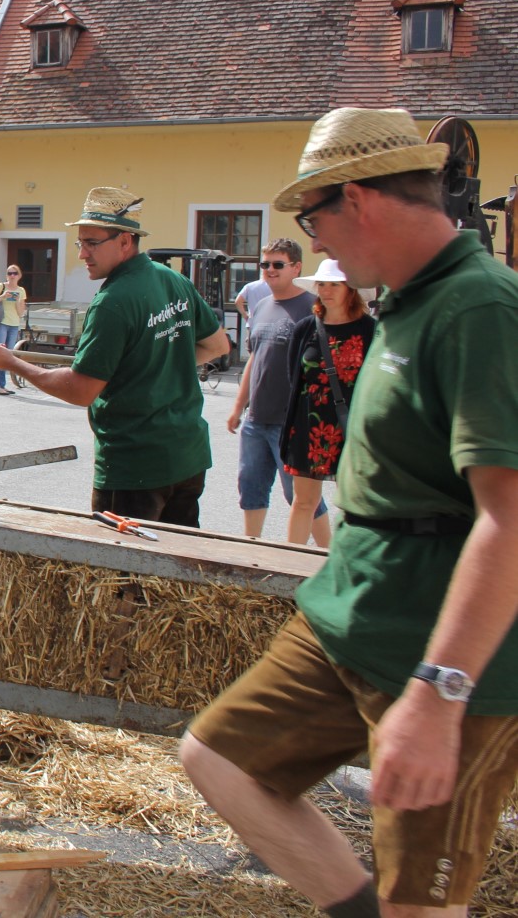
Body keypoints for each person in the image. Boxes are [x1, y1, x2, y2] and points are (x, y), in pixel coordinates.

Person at [181, 107, 518, 918]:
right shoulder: (407, 299)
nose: (318, 244)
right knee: (218, 760)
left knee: (423, 902)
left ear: (359, 199)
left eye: (315, 218)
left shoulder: (480, 307)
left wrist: (440, 696)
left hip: (445, 654)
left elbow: (509, 519)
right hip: (353, 614)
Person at [0, 188, 230, 525]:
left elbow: (81, 390)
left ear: (125, 241)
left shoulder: (114, 301)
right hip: (187, 456)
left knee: (124, 571)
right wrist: (158, 367)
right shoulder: (174, 280)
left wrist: (13, 362)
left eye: (92, 243)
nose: (82, 253)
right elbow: (217, 345)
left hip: (137, 465)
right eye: (79, 242)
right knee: (175, 568)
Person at [228, 238, 331, 543]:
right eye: (265, 265)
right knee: (251, 488)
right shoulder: (260, 307)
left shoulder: (312, 309)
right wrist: (237, 408)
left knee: (300, 496)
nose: (270, 271)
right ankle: (252, 555)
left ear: (296, 267)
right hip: (256, 420)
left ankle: (330, 558)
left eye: (277, 265)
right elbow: (255, 359)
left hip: (292, 422)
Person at [281, 258, 375, 546]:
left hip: (351, 428)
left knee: (354, 506)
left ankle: (346, 569)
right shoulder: (306, 328)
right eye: (322, 283)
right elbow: (293, 378)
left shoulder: (370, 330)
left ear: (351, 289)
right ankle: (288, 567)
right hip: (309, 427)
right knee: (303, 502)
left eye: (334, 284)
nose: (326, 290)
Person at [0, 266, 27, 395]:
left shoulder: (21, 290)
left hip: (14, 324)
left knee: (7, 355)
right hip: (1, 323)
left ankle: (2, 385)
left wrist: (18, 301)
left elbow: (20, 313)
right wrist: (2, 297)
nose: (12, 276)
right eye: (9, 273)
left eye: (15, 273)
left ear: (19, 275)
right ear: (7, 275)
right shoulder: (1, 286)